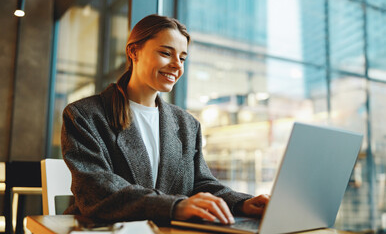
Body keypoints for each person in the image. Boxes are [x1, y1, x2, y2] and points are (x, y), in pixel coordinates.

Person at [61, 14, 270, 224]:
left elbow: (201, 183)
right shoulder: (85, 115)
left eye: (182, 58)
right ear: (134, 51)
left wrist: (241, 203)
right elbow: (96, 188)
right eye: (165, 53)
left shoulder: (187, 124)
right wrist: (174, 207)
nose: (176, 65)